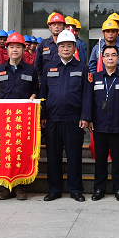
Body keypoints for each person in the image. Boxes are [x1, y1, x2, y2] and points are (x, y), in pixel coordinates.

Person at [39, 29, 92, 202]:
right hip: (52, 120)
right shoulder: (49, 67)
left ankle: (75, 189)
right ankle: (54, 189)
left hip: (73, 120)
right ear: (58, 48)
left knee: (74, 156)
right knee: (53, 157)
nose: (66, 49)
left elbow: (86, 95)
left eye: (69, 45)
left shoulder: (82, 68)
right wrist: (43, 115)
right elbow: (43, 93)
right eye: (62, 46)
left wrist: (85, 116)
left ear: (74, 47)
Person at [0, 32, 39, 200]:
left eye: (18, 46)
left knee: (21, 150)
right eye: (12, 46)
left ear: (24, 49)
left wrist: (33, 96)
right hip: (3, 119)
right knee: (5, 151)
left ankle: (20, 187)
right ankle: (6, 186)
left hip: (22, 119)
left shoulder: (31, 70)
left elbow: (36, 90)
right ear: (7, 49)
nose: (15, 49)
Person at [83, 44, 119, 202]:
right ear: (102, 59)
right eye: (107, 55)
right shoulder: (95, 77)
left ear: (118, 58)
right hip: (99, 125)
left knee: (117, 160)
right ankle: (99, 188)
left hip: (118, 125)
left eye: (113, 55)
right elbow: (89, 100)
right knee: (100, 160)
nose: (110, 58)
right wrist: (89, 119)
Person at [35, 12, 67, 78]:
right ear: (50, 27)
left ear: (64, 27)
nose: (57, 27)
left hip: (64, 79)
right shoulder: (43, 44)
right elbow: (37, 64)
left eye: (59, 25)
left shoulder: (68, 44)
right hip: (47, 80)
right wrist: (40, 79)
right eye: (54, 25)